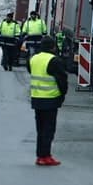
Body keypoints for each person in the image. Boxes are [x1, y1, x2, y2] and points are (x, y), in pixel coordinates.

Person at [30, 37, 68, 166]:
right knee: (48, 129)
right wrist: (63, 94)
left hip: (36, 99)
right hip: (50, 99)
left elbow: (31, 71)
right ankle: (45, 156)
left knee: (40, 129)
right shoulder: (54, 60)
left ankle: (40, 155)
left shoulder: (34, 59)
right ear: (53, 47)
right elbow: (62, 80)